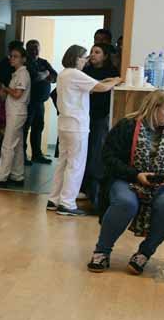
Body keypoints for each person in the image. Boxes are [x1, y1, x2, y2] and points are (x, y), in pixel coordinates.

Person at [87, 89, 164, 275]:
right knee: (125, 203)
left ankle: (144, 253)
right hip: (127, 177)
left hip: (163, 183)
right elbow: (108, 156)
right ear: (153, 108)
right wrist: (136, 175)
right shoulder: (127, 125)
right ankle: (102, 251)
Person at [46, 45, 121, 216]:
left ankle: (54, 199)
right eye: (84, 57)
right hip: (76, 126)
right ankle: (67, 203)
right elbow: (101, 88)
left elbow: (93, 84)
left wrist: (107, 80)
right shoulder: (75, 74)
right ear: (76, 58)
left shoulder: (64, 74)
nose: (86, 60)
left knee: (63, 163)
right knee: (76, 164)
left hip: (64, 125)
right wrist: (117, 80)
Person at [81, 43, 121, 205]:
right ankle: (81, 188)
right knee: (83, 152)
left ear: (105, 56)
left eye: (97, 52)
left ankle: (94, 192)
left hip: (101, 117)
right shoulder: (85, 71)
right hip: (85, 115)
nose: (93, 54)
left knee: (96, 153)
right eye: (91, 51)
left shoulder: (112, 71)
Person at [0, 46, 30, 188]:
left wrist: (5, 88)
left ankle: (1, 177)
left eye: (16, 56)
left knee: (8, 145)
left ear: (23, 59)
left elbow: (17, 94)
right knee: (17, 146)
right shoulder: (16, 74)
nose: (12, 59)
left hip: (17, 112)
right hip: (14, 112)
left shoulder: (23, 74)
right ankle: (17, 175)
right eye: (11, 56)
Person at [24, 39, 56, 164]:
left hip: (40, 102)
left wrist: (46, 75)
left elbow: (55, 76)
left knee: (38, 127)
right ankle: (22, 156)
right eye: (31, 48)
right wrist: (46, 73)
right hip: (29, 102)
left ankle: (37, 154)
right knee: (25, 128)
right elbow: (34, 77)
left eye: (36, 48)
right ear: (27, 50)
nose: (34, 50)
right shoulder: (26, 63)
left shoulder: (43, 62)